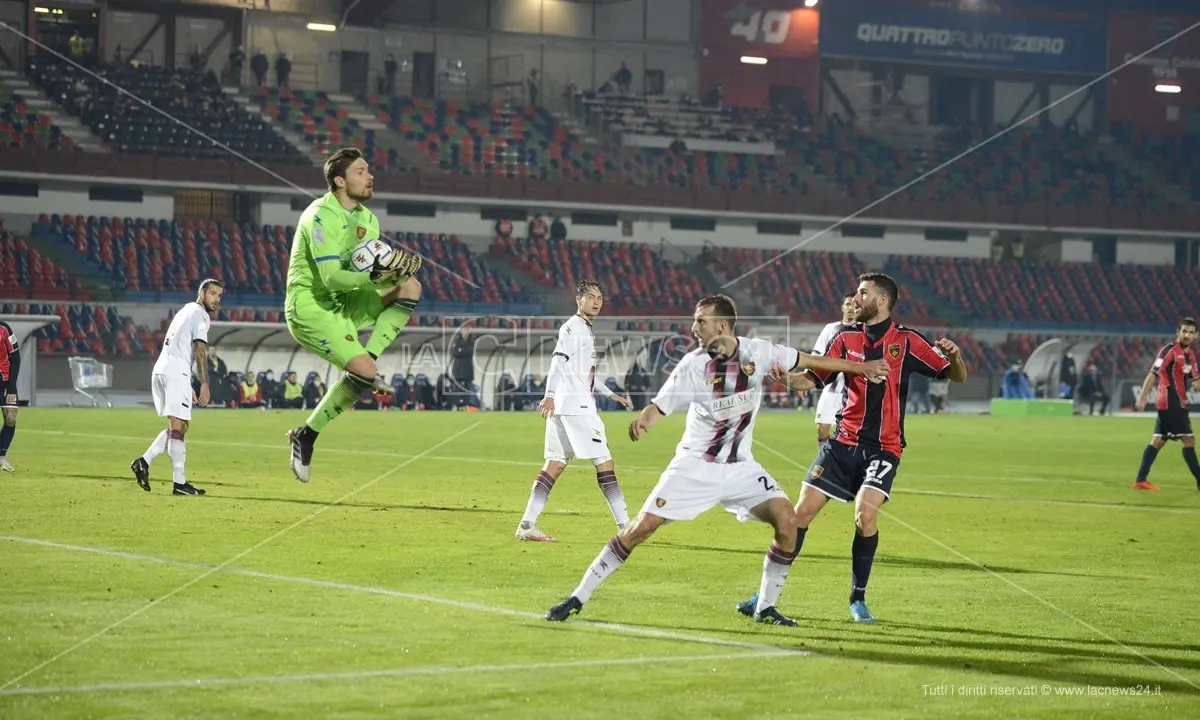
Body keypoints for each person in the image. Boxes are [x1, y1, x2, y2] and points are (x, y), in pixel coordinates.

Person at [545, 294, 889, 625]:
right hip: (695, 467)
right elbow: (659, 405)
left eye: (700, 321)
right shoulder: (693, 365)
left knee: (788, 521)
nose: (694, 327)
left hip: (741, 468)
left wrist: (861, 368)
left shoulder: (760, 352)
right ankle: (577, 597)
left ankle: (765, 607)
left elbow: (812, 361)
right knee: (640, 529)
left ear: (722, 324)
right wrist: (644, 421)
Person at [736, 273, 967, 624]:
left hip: (884, 448)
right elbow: (812, 381)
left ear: (883, 301)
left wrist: (957, 357)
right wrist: (783, 377)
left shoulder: (906, 341)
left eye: (863, 294)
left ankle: (858, 599)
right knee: (798, 517)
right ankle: (765, 593)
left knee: (865, 514)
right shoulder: (844, 339)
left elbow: (955, 375)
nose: (855, 300)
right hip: (842, 443)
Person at [284, 147, 424, 482]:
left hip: (346, 299)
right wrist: (375, 276)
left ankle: (368, 364)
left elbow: (364, 268)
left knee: (410, 286)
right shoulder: (319, 216)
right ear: (339, 181)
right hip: (311, 306)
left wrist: (391, 272)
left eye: (368, 170)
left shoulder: (368, 219)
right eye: (360, 171)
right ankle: (307, 435)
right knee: (363, 370)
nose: (370, 176)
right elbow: (332, 277)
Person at [517, 281, 634, 542]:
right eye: (590, 297)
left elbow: (582, 372)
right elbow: (558, 361)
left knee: (555, 465)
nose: (596, 301)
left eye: (600, 297)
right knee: (605, 462)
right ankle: (625, 526)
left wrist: (608, 393)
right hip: (576, 407)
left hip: (565, 406)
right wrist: (548, 395)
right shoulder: (572, 328)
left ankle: (527, 525)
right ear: (578, 300)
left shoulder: (583, 329)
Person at [130, 279, 224, 496]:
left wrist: (187, 380)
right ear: (201, 293)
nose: (216, 299)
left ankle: (146, 463)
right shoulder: (201, 315)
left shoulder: (185, 310)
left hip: (163, 369)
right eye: (212, 293)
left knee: (178, 428)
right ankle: (177, 483)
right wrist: (205, 385)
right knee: (179, 429)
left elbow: (179, 345)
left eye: (219, 295)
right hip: (175, 372)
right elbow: (200, 351)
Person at [1132, 317, 1200, 491]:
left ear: (1196, 336)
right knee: (1188, 439)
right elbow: (1153, 373)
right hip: (1171, 402)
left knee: (1158, 440)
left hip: (1177, 403)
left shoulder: (1190, 355)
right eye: (1184, 331)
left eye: (1191, 332)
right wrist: (1142, 397)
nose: (1187, 335)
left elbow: (1197, 384)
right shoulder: (1169, 350)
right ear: (1178, 332)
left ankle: (1140, 480)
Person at [812, 294, 857, 447]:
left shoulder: (863, 331)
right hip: (831, 388)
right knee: (822, 427)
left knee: (850, 431)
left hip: (853, 391)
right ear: (842, 307)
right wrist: (808, 378)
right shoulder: (831, 328)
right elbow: (816, 354)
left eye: (855, 305)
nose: (851, 308)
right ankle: (824, 460)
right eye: (848, 304)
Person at [0, 321, 20, 472]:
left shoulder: (4, 328)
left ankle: (1, 456)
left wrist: (12, 385)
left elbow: (15, 356)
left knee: (10, 419)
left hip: (5, 381)